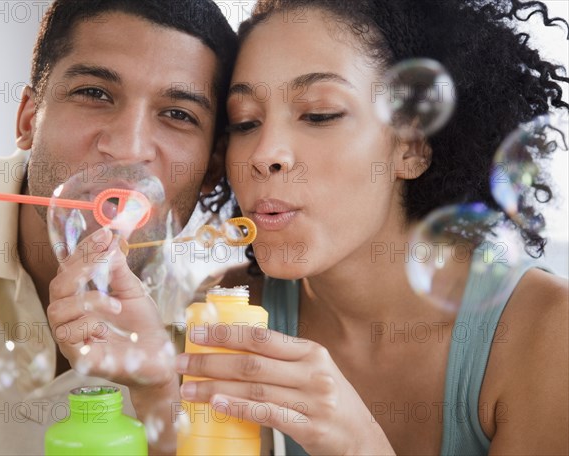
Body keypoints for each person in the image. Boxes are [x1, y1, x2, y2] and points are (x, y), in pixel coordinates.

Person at [173, 0, 569, 455]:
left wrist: (361, 447)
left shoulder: (548, 336)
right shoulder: (234, 312)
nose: (264, 154)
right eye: (244, 121)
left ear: (412, 147)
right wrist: (150, 388)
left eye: (319, 114)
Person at [0, 1, 236, 454]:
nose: (129, 149)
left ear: (211, 168)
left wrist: (159, 398)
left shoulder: (226, 323)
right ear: (29, 120)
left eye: (178, 115)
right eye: (94, 93)